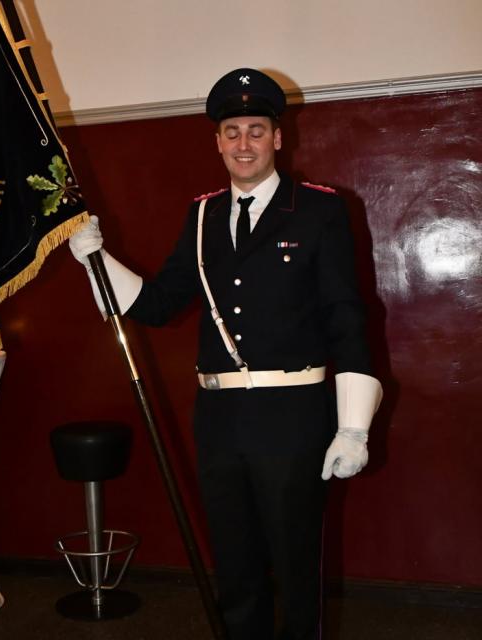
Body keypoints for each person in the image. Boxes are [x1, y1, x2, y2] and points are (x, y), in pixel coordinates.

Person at [69, 68, 382, 640]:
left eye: (256, 130)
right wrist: (97, 261)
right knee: (235, 567)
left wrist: (353, 427)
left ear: (278, 138)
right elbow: (160, 303)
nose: (244, 143)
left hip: (293, 415)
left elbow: (346, 319)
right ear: (217, 141)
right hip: (218, 417)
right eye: (232, 132)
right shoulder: (203, 215)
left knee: (296, 564)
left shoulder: (318, 211)